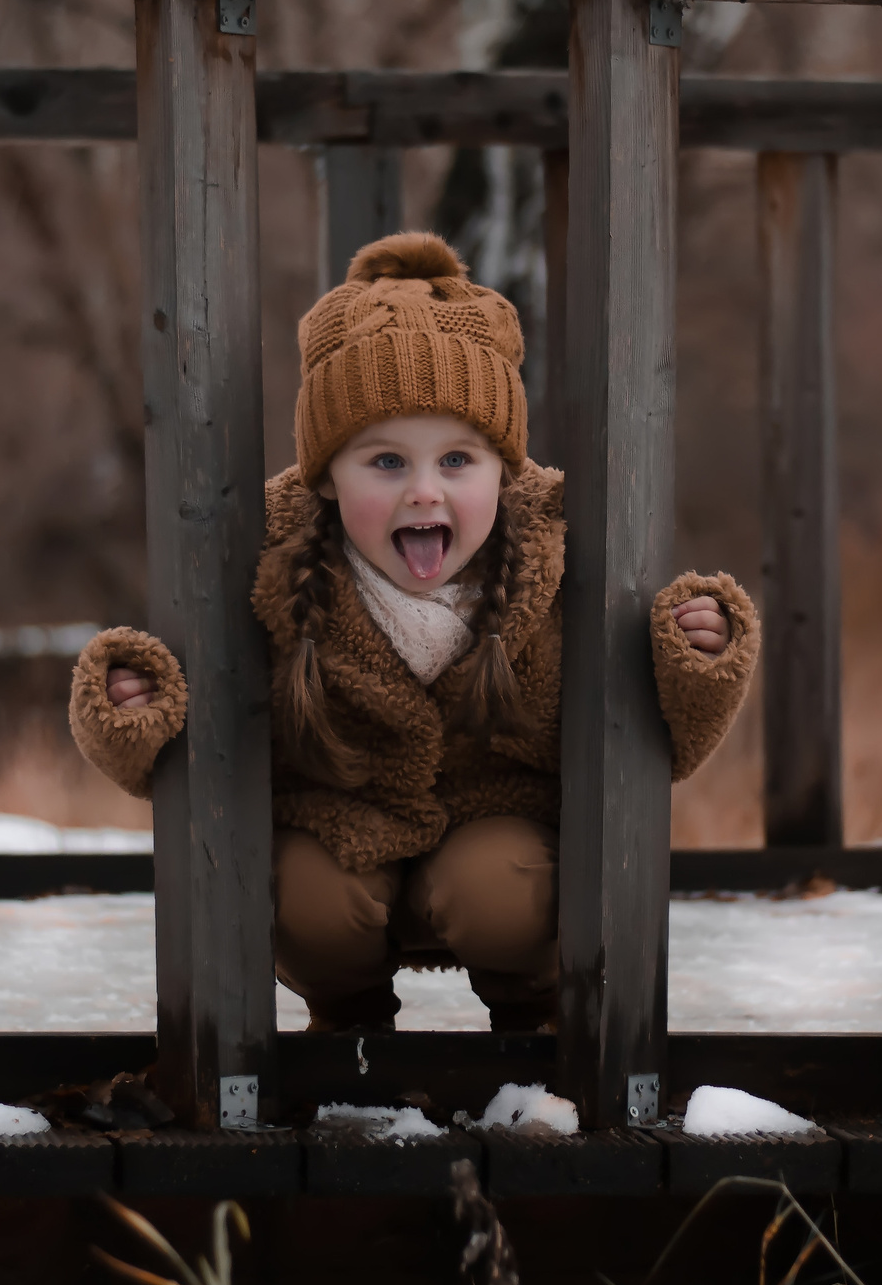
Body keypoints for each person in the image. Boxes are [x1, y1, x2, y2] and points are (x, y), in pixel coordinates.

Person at [66, 232, 760, 1032]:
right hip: (340, 825)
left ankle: (531, 1016)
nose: (425, 492)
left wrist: (696, 663)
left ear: (506, 467)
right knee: (306, 900)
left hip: (500, 825)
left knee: (499, 889)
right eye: (387, 462)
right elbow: (194, 726)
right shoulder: (272, 562)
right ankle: (350, 1024)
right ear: (326, 475)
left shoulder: (562, 556)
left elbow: (654, 739)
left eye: (459, 461)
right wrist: (131, 707)